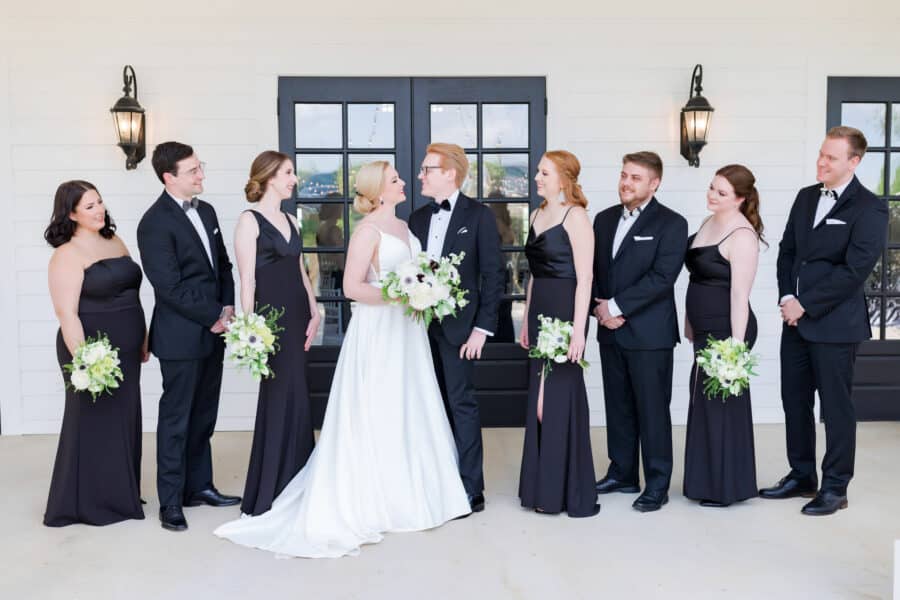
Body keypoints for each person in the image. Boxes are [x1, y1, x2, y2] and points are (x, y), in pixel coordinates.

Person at [214, 161, 470, 558]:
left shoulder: (405, 228)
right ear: (379, 190)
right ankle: (370, 493)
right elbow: (353, 287)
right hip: (379, 332)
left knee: (408, 404)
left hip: (407, 333)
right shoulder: (368, 231)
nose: (405, 183)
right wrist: (402, 295)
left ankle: (413, 489)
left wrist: (426, 291)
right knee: (376, 406)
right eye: (396, 179)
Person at [761, 126, 888, 515]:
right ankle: (801, 476)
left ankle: (835, 487)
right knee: (794, 401)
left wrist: (805, 304)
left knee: (835, 408)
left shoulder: (870, 207)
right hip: (795, 321)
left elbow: (854, 270)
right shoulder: (804, 198)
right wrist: (786, 298)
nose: (821, 162)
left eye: (831, 157)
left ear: (854, 162)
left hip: (835, 324)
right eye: (821, 154)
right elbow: (787, 252)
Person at [137, 141, 239, 532]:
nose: (201, 175)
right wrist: (214, 314)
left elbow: (223, 266)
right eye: (193, 170)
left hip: (215, 331)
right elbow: (169, 287)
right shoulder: (154, 223)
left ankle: (200, 487)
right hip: (181, 335)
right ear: (169, 177)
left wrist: (227, 309)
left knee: (204, 414)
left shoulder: (208, 211)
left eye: (201, 167)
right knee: (176, 418)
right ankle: (171, 500)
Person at [44, 180, 147, 526]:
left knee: (125, 417)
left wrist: (142, 336)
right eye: (89, 206)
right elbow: (66, 314)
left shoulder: (114, 241)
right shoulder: (66, 255)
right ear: (71, 213)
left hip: (128, 347)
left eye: (100, 202)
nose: (99, 210)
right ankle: (86, 501)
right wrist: (86, 361)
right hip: (91, 351)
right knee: (91, 420)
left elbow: (132, 291)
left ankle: (121, 493)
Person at [409, 143, 505, 513]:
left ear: (450, 173)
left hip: (461, 329)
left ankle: (470, 487)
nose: (421, 175)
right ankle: (432, 479)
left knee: (461, 404)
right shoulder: (416, 218)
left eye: (427, 169)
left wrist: (482, 329)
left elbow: (493, 276)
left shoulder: (479, 216)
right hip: (417, 328)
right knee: (425, 404)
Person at [591, 151, 688, 512]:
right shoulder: (601, 221)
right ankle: (623, 472)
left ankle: (657, 483)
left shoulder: (672, 224)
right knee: (617, 406)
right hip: (609, 331)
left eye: (635, 177)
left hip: (650, 335)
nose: (626, 183)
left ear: (654, 183)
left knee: (652, 410)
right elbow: (593, 274)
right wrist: (599, 311)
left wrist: (616, 307)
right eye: (623, 175)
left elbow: (662, 279)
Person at [233, 151, 320, 516]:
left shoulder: (291, 220)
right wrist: (249, 330)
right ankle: (271, 488)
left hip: (299, 314)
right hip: (270, 324)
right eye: (288, 172)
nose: (294, 178)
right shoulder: (249, 221)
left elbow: (300, 271)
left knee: (299, 395)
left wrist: (315, 309)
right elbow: (247, 280)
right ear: (269, 177)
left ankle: (299, 481)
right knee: (279, 396)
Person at [517, 151, 599, 517]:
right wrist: (524, 318)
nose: (537, 177)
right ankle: (541, 486)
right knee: (538, 401)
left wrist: (579, 332)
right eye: (537, 171)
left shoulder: (576, 217)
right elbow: (534, 273)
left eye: (544, 172)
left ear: (563, 178)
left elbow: (586, 279)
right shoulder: (536, 214)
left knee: (557, 398)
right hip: (539, 309)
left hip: (566, 309)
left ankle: (564, 489)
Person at [683, 165, 762, 507]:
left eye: (721, 193)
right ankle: (706, 480)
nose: (711, 196)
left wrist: (735, 348)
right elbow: (696, 278)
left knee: (722, 406)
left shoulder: (742, 236)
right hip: (702, 327)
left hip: (727, 330)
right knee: (703, 402)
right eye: (712, 188)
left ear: (741, 199)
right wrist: (689, 320)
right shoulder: (707, 222)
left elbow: (739, 297)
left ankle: (727, 487)